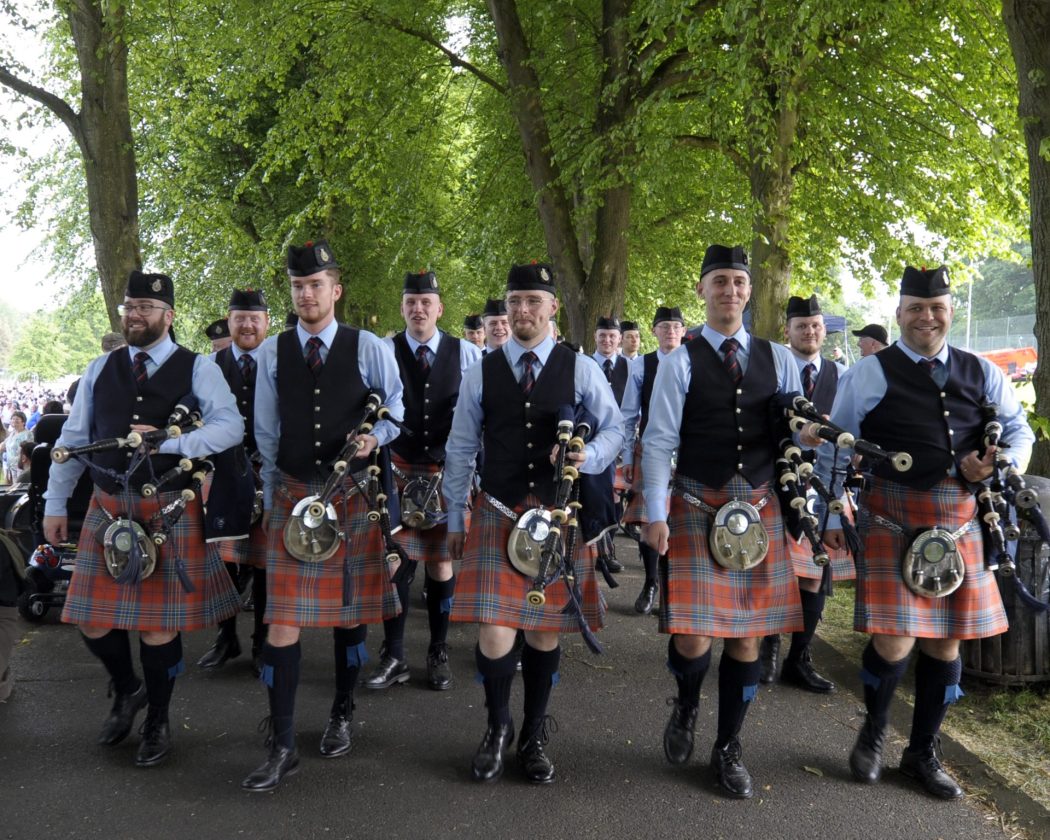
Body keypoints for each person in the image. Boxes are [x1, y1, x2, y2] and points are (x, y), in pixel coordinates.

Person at [818, 265, 1033, 800]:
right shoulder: (868, 373)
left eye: (936, 307)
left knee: (947, 642)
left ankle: (922, 752)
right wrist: (826, 515)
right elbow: (832, 444)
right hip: (893, 511)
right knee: (893, 641)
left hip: (961, 516)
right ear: (900, 314)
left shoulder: (981, 370)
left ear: (950, 312)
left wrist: (1002, 462)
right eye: (916, 307)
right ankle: (872, 732)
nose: (927, 317)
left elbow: (1017, 429)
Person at [42, 269, 244, 768]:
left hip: (168, 506)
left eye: (145, 309)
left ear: (168, 316)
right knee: (89, 620)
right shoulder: (100, 368)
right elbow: (73, 438)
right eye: (129, 307)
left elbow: (230, 427)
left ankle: (158, 716)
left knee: (158, 629)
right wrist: (52, 504)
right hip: (107, 505)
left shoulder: (198, 368)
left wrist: (173, 442)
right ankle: (128, 687)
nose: (135, 315)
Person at [444, 261, 624, 785]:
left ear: (552, 308)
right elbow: (460, 447)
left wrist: (585, 456)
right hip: (498, 509)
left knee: (545, 634)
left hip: (557, 516)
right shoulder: (483, 369)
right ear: (507, 306)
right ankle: (497, 727)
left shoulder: (581, 366)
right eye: (515, 301)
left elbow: (615, 430)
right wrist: (456, 513)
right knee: (496, 631)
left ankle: (534, 734)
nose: (523, 310)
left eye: (533, 301)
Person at [642, 244, 805, 799]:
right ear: (702, 291)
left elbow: (793, 430)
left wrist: (806, 435)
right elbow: (660, 440)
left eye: (738, 281)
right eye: (720, 282)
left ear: (749, 290)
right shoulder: (678, 360)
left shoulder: (778, 357)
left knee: (748, 641)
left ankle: (728, 746)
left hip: (757, 510)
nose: (730, 291)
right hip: (693, 504)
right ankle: (686, 704)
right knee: (692, 639)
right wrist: (653, 512)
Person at [241, 239, 405, 792]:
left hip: (352, 494)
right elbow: (266, 432)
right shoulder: (272, 352)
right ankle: (282, 742)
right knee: (280, 621)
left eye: (316, 285)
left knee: (349, 616)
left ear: (336, 290)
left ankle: (341, 710)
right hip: (292, 492)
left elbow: (396, 409)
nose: (306, 294)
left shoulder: (368, 347)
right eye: (297, 286)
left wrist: (374, 435)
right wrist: (267, 498)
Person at [366, 271, 482, 692]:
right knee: (394, 561)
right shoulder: (382, 350)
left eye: (426, 302)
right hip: (395, 467)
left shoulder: (467, 354)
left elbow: (479, 413)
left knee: (440, 563)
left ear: (439, 308)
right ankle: (394, 653)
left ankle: (438, 649)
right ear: (402, 307)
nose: (418, 309)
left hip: (444, 472)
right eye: (411, 301)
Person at [758, 294, 850, 693]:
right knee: (772, 570)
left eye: (815, 325)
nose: (810, 331)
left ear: (822, 330)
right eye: (802, 326)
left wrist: (839, 493)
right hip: (776, 481)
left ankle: (800, 658)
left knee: (815, 574)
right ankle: (768, 647)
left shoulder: (841, 374)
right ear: (788, 331)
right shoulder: (773, 370)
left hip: (824, 484)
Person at [197, 288, 271, 675]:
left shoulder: (280, 362)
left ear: (266, 323)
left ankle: (262, 642)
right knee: (222, 561)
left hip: (269, 471)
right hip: (225, 472)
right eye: (239, 317)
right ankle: (227, 637)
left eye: (253, 318)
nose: (246, 324)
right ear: (229, 321)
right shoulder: (209, 365)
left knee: (263, 565)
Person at [620, 306, 685, 614]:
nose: (670, 331)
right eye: (664, 326)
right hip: (649, 449)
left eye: (675, 326)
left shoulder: (695, 362)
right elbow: (629, 414)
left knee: (681, 524)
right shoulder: (642, 366)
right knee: (649, 523)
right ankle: (650, 583)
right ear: (654, 330)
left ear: (683, 331)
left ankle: (671, 588)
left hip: (689, 452)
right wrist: (626, 455)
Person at [4, 412, 32, 484]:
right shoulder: (12, 433)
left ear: (23, 422)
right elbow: (3, 445)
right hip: (11, 466)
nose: (14, 421)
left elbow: (29, 450)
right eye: (13, 419)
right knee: (14, 487)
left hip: (21, 467)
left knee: (21, 486)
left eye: (17, 419)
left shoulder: (28, 434)